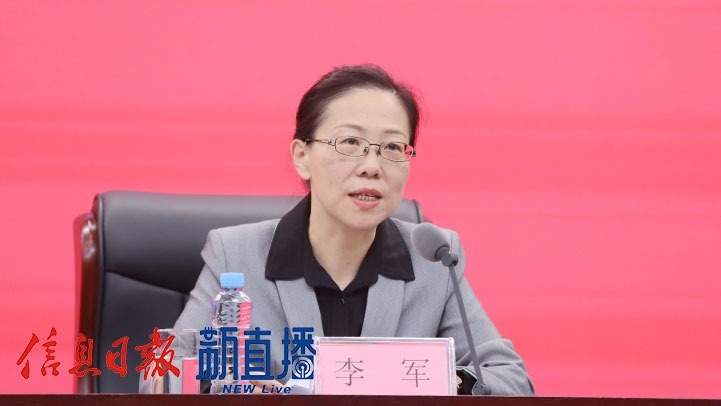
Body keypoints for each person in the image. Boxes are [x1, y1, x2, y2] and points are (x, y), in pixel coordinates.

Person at [171, 64, 534, 395]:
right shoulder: (235, 254)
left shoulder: (434, 261)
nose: (372, 166)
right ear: (302, 157)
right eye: (350, 143)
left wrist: (441, 378)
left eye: (392, 147)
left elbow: (512, 381)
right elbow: (166, 374)